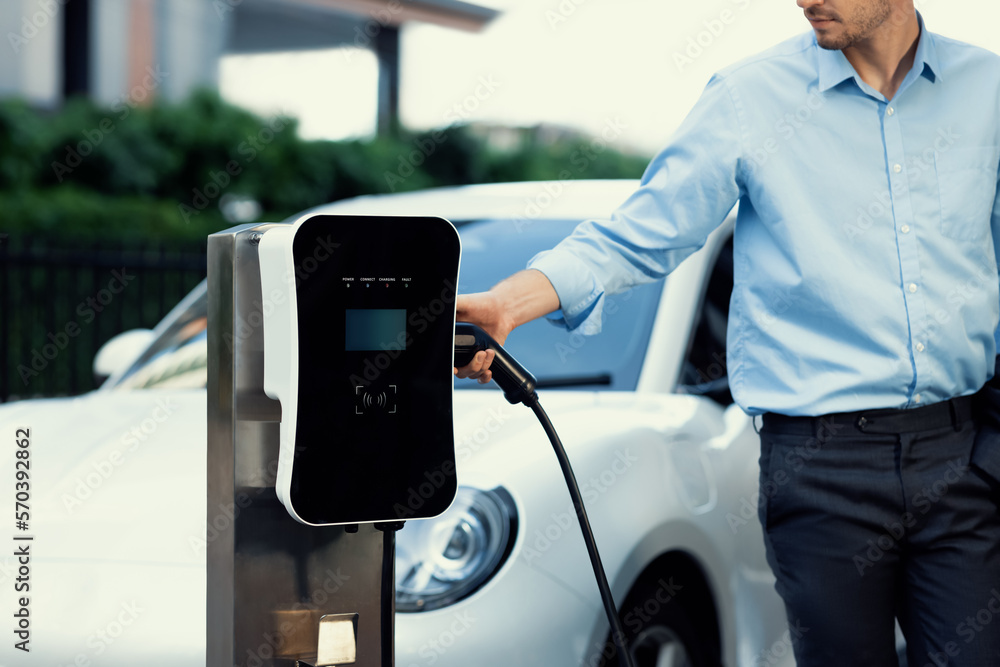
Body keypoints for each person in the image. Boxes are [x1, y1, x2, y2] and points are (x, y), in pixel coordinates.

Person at [455, 1, 1000, 665]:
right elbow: (640, 233)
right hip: (821, 464)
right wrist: (510, 302)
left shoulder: (986, 91)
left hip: (962, 453)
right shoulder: (750, 97)